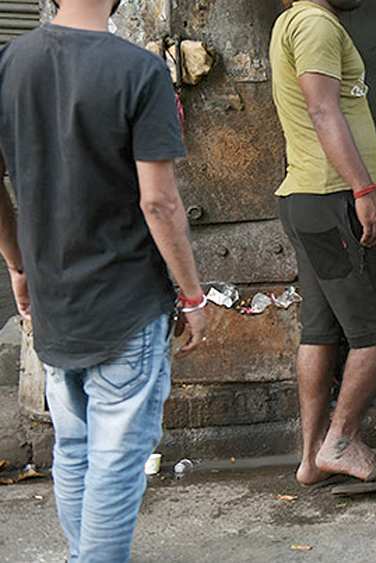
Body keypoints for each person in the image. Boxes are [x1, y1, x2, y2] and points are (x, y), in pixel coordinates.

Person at [0, 0, 207, 559]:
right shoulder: (139, 72)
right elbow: (160, 203)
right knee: (115, 461)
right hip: (126, 304)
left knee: (73, 447)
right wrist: (191, 294)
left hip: (53, 300)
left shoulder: (10, 62)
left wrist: (18, 263)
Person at [269, 0, 376, 493]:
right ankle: (342, 440)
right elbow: (321, 107)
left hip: (308, 196)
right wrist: (364, 190)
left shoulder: (293, 23)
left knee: (321, 331)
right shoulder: (314, 23)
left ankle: (312, 458)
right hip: (334, 197)